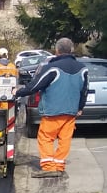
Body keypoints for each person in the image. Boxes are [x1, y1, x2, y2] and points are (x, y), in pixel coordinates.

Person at [15, 37, 88, 178]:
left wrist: (17, 92)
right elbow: (84, 90)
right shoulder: (82, 69)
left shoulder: (52, 68)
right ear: (71, 50)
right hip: (71, 111)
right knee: (65, 139)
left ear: (57, 50)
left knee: (46, 137)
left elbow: (35, 86)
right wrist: (80, 107)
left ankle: (49, 167)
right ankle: (59, 165)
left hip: (53, 111)